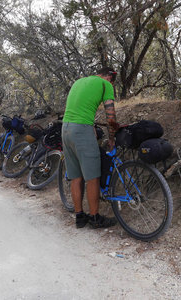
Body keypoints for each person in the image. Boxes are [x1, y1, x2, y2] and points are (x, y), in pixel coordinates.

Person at [62, 67, 119, 229]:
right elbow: (111, 115)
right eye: (112, 81)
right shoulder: (105, 84)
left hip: (65, 129)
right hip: (81, 130)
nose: (111, 84)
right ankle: (95, 217)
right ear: (109, 76)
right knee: (92, 176)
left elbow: (78, 107)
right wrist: (112, 137)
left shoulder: (78, 82)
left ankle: (80, 217)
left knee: (75, 176)